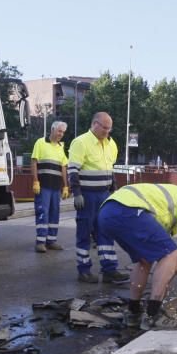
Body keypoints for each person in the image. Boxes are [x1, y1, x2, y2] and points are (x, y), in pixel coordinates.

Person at [98, 182, 177, 331]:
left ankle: (133, 313)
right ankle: (154, 315)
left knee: (144, 260)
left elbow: (162, 260)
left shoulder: (158, 204)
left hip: (107, 213)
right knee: (173, 253)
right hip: (127, 210)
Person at [68, 112, 128, 285]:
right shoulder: (80, 142)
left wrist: (114, 193)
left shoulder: (111, 144)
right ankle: (84, 270)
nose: (107, 132)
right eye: (105, 128)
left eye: (109, 129)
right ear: (95, 124)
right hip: (87, 196)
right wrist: (77, 193)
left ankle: (109, 270)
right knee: (84, 233)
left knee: (105, 232)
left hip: (104, 195)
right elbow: (72, 170)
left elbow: (110, 170)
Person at [30, 121, 69, 252]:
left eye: (63, 132)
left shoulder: (60, 147)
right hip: (44, 186)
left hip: (56, 187)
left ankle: (51, 240)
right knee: (43, 212)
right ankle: (40, 242)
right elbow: (34, 162)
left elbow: (63, 167)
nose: (61, 134)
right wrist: (35, 181)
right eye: (59, 131)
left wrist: (65, 186)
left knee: (54, 213)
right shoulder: (40, 143)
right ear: (52, 130)